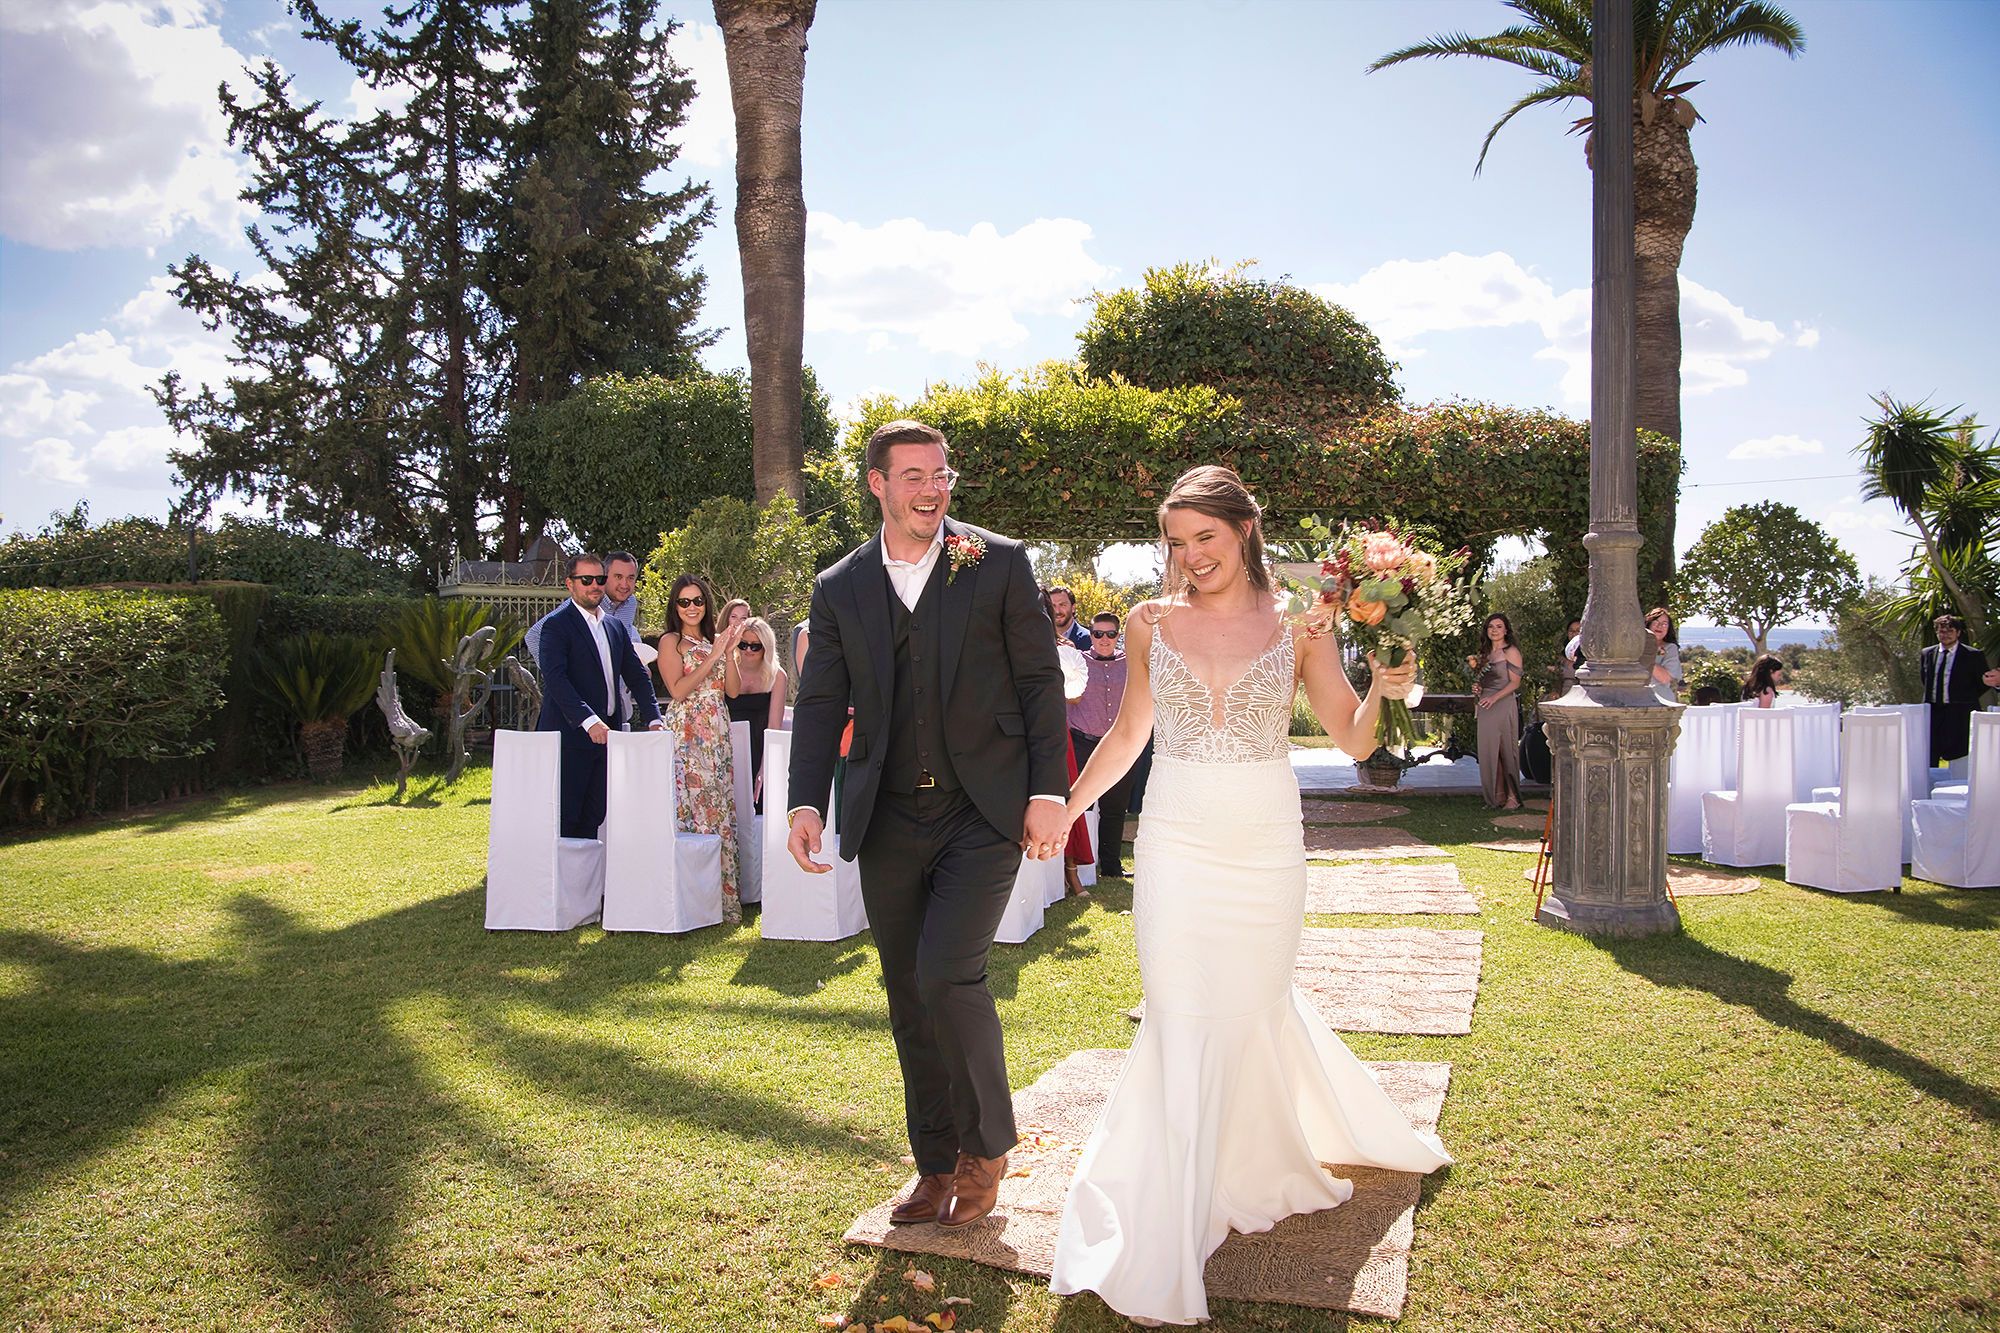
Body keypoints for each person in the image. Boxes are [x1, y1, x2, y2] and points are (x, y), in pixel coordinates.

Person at [1048, 465, 1450, 1325]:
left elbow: (1349, 736)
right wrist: (1069, 809)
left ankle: (1247, 1161)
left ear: (1245, 530)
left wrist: (1383, 689)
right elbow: (1128, 736)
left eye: (1207, 538)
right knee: (1181, 1009)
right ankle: (1170, 1203)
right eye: (1179, 541)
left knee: (1252, 1003)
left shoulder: (1301, 627)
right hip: (1178, 840)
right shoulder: (1154, 623)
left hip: (1266, 848)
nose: (1192, 556)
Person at [786, 419, 1069, 1231]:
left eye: (940, 474)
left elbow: (1041, 683)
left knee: (949, 973)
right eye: (912, 475)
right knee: (909, 994)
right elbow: (818, 702)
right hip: (886, 816)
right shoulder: (839, 586)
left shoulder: (998, 561)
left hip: (981, 810)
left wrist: (1048, 789)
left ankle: (987, 1149)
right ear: (877, 483)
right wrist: (809, 800)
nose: (931, 489)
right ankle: (933, 1162)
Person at [533, 553, 667, 839]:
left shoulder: (616, 626)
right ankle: (564, 883)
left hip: (609, 737)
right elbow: (556, 680)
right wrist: (588, 720)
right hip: (568, 737)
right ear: (570, 584)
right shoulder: (557, 625)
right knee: (566, 820)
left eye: (599, 579)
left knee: (594, 817)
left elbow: (638, 676)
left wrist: (654, 717)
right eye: (586, 580)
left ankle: (589, 884)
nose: (594, 585)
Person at [661, 573, 745, 923]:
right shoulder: (671, 641)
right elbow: (678, 690)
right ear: (675, 606)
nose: (692, 607)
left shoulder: (715, 640)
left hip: (716, 727)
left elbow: (734, 691)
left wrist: (731, 652)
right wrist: (712, 657)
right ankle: (693, 898)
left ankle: (723, 898)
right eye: (684, 601)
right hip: (688, 728)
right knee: (693, 804)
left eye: (698, 601)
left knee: (719, 804)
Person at [1070, 610, 1133, 880]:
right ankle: (1081, 869)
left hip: (1117, 747)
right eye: (1098, 634)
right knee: (1080, 806)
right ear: (1091, 635)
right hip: (1082, 742)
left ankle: (1111, 867)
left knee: (1114, 808)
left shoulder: (1130, 664)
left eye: (1110, 634)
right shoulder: (1076, 663)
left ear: (1117, 636)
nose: (1104, 639)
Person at [526, 550, 641, 663]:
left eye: (630, 578)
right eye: (618, 577)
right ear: (604, 576)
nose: (624, 585)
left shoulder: (630, 603)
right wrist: (557, 674)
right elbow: (533, 636)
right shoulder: (587, 601)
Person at [727, 616, 788, 811]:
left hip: (760, 749)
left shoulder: (777, 676)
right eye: (743, 645)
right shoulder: (727, 668)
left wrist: (764, 769)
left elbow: (774, 728)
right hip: (729, 747)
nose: (747, 651)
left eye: (755, 646)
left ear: (766, 647)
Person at [1468, 613, 1524, 809]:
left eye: (1499, 626)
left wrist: (1494, 697)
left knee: (1506, 750)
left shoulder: (1511, 652)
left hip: (1503, 703)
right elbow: (1483, 680)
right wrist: (1478, 689)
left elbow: (1515, 683)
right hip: (1485, 706)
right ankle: (1495, 796)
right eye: (1491, 626)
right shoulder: (1484, 654)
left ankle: (1513, 797)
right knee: (1489, 751)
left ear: (1506, 630)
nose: (1494, 630)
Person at [1920, 614, 1991, 766]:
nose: (1945, 635)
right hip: (1933, 712)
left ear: (1958, 633)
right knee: (1929, 754)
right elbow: (1925, 679)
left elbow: (1983, 682)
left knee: (1961, 756)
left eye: (1949, 631)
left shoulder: (1973, 655)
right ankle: (1928, 787)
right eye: (1941, 631)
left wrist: (1964, 697)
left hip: (1960, 712)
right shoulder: (1927, 653)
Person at [1645, 607, 1682, 700]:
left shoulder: (1670, 648)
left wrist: (1647, 656)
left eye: (1664, 624)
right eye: (1656, 622)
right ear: (1648, 624)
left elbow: (1665, 679)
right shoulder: (1635, 646)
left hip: (1662, 701)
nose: (1660, 626)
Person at [1046, 584, 1092, 652]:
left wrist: (1074, 653)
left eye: (1062, 605)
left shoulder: (1089, 639)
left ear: (1073, 608)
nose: (1057, 611)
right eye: (1053, 606)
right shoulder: (1041, 638)